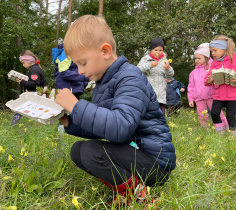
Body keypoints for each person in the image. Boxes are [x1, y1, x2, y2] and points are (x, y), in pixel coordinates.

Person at [54, 15, 176, 206]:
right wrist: (68, 120)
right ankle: (126, 189)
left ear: (105, 51)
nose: (79, 71)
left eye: (82, 63)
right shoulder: (104, 83)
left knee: (91, 151)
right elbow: (101, 125)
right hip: (134, 153)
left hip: (155, 162)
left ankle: (138, 196)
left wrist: (77, 106)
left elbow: (119, 127)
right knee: (78, 150)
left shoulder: (130, 77)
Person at [188, 43, 228, 128]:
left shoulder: (211, 68)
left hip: (211, 96)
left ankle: (226, 128)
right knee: (202, 116)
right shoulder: (192, 73)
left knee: (217, 113)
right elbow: (191, 87)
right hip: (199, 98)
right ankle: (205, 132)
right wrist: (191, 99)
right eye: (195, 58)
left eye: (199, 58)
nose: (196, 60)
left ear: (206, 58)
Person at [205, 35, 236, 134]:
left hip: (232, 95)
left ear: (224, 49)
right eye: (211, 51)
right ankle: (220, 133)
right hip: (218, 95)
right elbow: (207, 79)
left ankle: (233, 135)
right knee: (214, 113)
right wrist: (209, 80)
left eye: (215, 50)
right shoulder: (214, 63)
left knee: (230, 116)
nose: (213, 53)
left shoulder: (234, 59)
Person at [137, 37, 174, 115]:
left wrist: (168, 68)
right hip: (148, 94)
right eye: (155, 50)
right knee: (149, 114)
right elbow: (138, 70)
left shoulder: (164, 60)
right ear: (151, 50)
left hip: (161, 95)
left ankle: (160, 127)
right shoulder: (145, 59)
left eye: (160, 50)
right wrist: (150, 65)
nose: (158, 52)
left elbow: (171, 74)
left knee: (161, 115)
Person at [11, 50, 46, 125]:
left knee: (20, 109)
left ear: (29, 61)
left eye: (23, 63)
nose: (23, 65)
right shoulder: (34, 69)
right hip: (34, 95)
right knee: (35, 112)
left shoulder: (34, 70)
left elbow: (34, 84)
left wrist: (22, 82)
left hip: (35, 96)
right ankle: (38, 126)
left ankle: (13, 125)